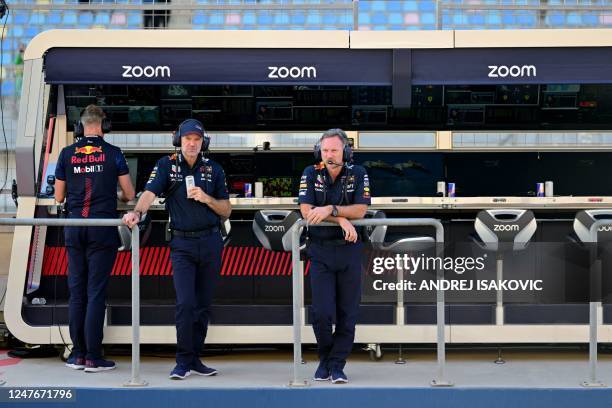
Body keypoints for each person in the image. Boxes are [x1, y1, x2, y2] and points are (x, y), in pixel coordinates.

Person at [122, 119, 231, 380]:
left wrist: (206, 198)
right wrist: (136, 212)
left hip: (211, 241)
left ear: (204, 142)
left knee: (203, 305)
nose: (192, 144)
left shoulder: (214, 169)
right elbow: (149, 193)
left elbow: (227, 210)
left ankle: (195, 359)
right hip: (181, 244)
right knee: (185, 303)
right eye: (187, 139)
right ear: (178, 141)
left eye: (196, 139)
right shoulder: (166, 165)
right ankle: (182, 360)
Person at [55, 104, 135, 372]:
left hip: (74, 226)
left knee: (77, 293)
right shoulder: (113, 153)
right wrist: (117, 195)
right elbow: (129, 194)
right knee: (95, 292)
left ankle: (77, 355)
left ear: (80, 126)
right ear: (104, 126)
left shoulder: (67, 153)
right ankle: (93, 356)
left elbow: (58, 197)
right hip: (101, 227)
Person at [298, 128, 371, 384]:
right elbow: (306, 209)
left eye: (335, 150)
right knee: (321, 312)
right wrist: (339, 217)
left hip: (350, 251)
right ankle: (325, 359)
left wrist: (330, 208)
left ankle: (337, 365)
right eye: (326, 150)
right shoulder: (310, 172)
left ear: (345, 152)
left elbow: (361, 210)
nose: (329, 155)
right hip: (319, 250)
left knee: (347, 313)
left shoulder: (359, 173)